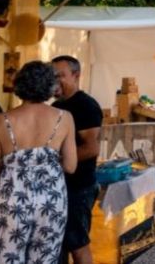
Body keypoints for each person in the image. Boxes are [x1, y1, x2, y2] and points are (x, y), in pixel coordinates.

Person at [0, 61, 77, 263]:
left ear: (19, 85)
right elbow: (71, 166)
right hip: (51, 199)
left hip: (11, 199)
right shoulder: (65, 118)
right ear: (50, 86)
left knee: (6, 257)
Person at [52, 55, 103, 264]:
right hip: (59, 185)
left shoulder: (86, 105)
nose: (56, 81)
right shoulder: (56, 105)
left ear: (76, 75)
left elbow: (91, 148)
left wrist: (56, 164)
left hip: (78, 187)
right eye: (52, 76)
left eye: (61, 75)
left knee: (78, 244)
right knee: (58, 243)